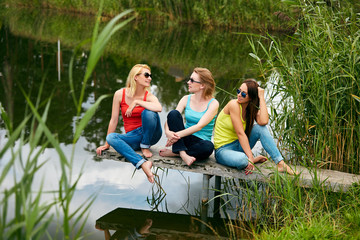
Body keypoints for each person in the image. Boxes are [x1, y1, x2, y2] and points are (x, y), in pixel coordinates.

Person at [214, 79, 297, 175]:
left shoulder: (250, 109)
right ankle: (251, 159)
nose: (239, 95)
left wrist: (261, 97)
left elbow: (264, 121)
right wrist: (250, 158)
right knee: (242, 160)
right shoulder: (234, 104)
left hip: (239, 146)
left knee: (260, 129)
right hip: (223, 150)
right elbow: (240, 133)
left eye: (244, 94)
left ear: (251, 98)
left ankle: (280, 163)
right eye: (238, 91)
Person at [96, 64, 162, 183]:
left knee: (149, 112)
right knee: (111, 137)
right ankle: (142, 164)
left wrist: (137, 102)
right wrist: (107, 144)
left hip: (152, 134)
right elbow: (114, 120)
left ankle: (145, 145)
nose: (150, 78)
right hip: (134, 136)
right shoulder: (119, 94)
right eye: (146, 75)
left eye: (150, 75)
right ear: (135, 77)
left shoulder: (149, 96)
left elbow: (159, 108)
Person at [159, 67, 219, 166]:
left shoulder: (213, 103)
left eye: (192, 80)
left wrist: (176, 136)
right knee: (173, 113)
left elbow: (199, 126)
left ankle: (176, 153)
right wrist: (168, 132)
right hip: (184, 138)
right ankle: (183, 154)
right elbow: (171, 118)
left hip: (200, 142)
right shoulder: (186, 99)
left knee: (208, 147)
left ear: (202, 85)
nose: (188, 82)